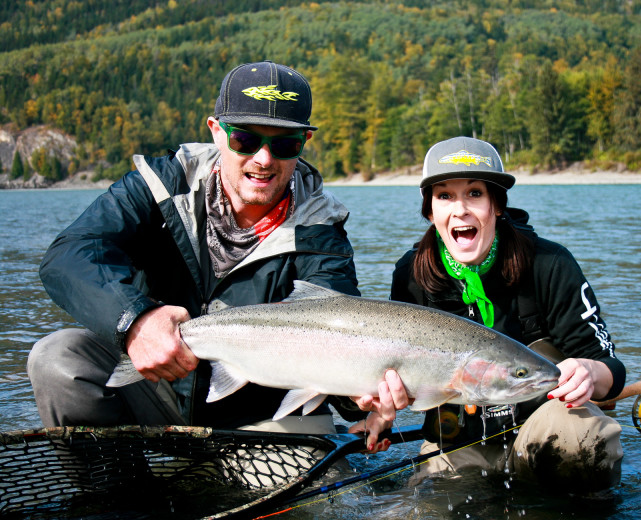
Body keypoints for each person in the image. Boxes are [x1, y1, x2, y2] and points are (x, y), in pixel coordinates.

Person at [27, 60, 405, 453]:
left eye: (285, 143)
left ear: (304, 142)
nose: (263, 159)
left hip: (264, 421)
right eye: (245, 139)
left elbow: (339, 332)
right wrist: (134, 320)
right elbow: (69, 254)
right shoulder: (160, 187)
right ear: (216, 131)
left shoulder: (320, 230)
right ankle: (120, 500)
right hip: (154, 390)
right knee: (57, 359)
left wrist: (363, 395)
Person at [390, 136, 626, 492]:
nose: (460, 210)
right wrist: (378, 411)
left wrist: (591, 372)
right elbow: (396, 368)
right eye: (444, 196)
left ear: (496, 205)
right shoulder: (410, 275)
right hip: (457, 445)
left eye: (474, 194)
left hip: (543, 432)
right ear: (430, 210)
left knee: (582, 437)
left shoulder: (550, 264)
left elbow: (611, 369)